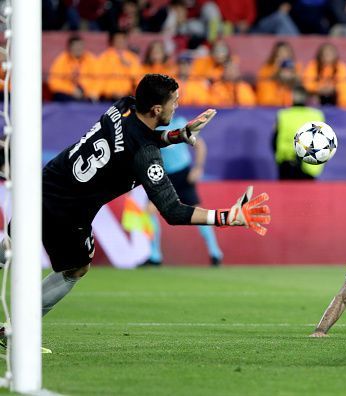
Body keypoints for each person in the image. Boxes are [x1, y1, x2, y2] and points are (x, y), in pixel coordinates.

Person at [2, 74, 270, 334]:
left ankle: (15, 328)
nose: (177, 105)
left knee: (12, 246)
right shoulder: (145, 155)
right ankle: (18, 332)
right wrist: (228, 216)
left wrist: (175, 135)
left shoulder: (122, 107)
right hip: (69, 212)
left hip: (48, 182)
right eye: (173, 102)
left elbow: (137, 134)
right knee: (75, 268)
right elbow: (173, 211)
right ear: (156, 109)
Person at [139, 116, 224, 267]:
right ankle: (155, 256)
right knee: (149, 211)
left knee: (197, 211)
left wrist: (198, 168)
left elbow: (200, 145)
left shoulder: (180, 123)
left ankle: (215, 253)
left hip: (183, 175)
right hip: (164, 176)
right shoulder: (153, 127)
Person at [273, 86, 325, 180]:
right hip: (309, 165)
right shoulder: (316, 115)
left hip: (287, 165)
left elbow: (274, 140)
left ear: (291, 97)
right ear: (306, 98)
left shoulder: (283, 115)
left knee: (286, 194)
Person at [47, 35, 99, 102]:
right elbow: (54, 82)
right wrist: (72, 90)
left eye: (80, 45)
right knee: (59, 96)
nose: (78, 48)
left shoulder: (90, 59)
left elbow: (98, 79)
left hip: (86, 95)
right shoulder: (61, 60)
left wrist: (90, 92)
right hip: (67, 95)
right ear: (69, 47)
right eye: (76, 46)